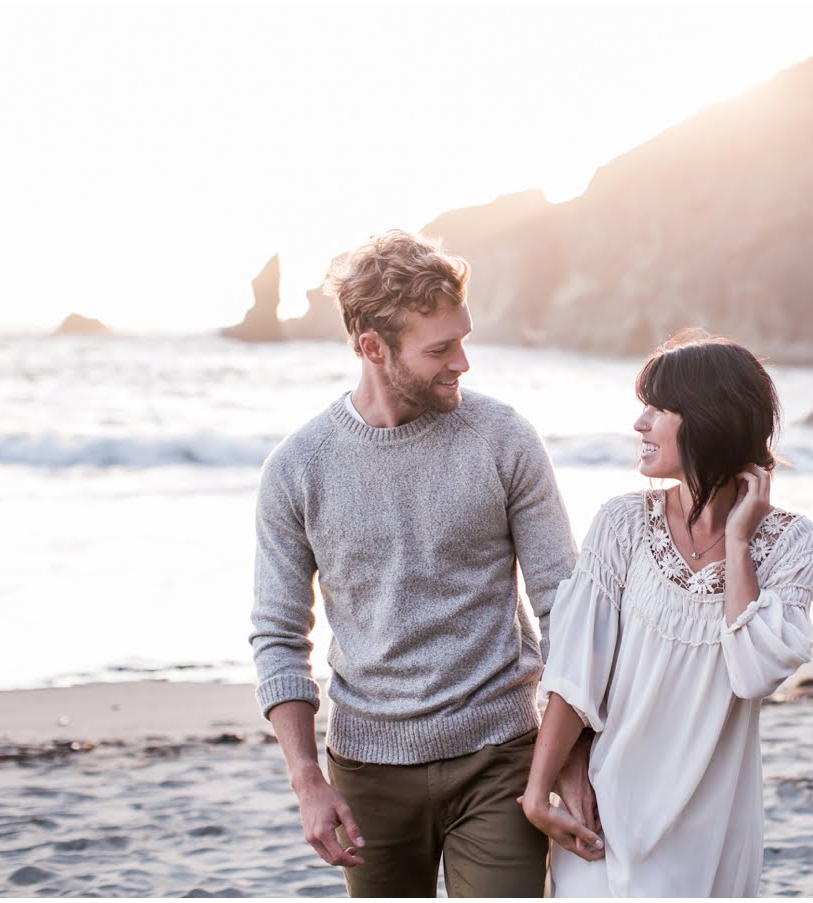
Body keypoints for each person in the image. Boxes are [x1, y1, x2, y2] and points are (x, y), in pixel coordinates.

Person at [249, 229, 590, 897]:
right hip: (367, 773)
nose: (462, 362)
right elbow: (279, 636)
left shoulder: (504, 438)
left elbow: (565, 606)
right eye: (440, 349)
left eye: (462, 339)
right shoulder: (297, 470)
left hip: (500, 756)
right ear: (372, 348)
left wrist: (571, 752)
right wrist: (306, 780)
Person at [520, 332, 813, 896]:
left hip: (708, 830)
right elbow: (573, 674)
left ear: (710, 419)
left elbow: (755, 673)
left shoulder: (790, 542)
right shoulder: (622, 525)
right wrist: (540, 791)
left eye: (659, 409)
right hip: (604, 817)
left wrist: (738, 542)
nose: (640, 424)